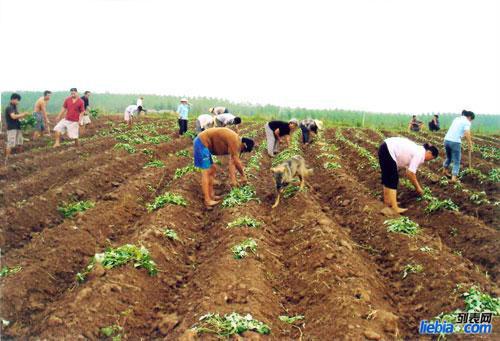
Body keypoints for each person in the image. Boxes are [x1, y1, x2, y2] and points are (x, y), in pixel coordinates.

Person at [193, 127, 255, 207]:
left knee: (212, 169)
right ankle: (207, 200)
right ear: (244, 144)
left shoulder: (236, 141)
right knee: (206, 171)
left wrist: (233, 181)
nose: (242, 151)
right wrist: (243, 176)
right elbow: (236, 161)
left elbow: (232, 162)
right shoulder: (235, 141)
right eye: (244, 150)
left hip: (204, 144)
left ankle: (212, 195)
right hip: (201, 143)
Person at [378, 137, 439, 214]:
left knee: (387, 177)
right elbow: (411, 173)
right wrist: (418, 188)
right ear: (429, 153)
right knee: (393, 178)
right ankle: (394, 208)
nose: (429, 160)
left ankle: (388, 202)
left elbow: (408, 171)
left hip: (384, 147)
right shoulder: (420, 154)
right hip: (388, 149)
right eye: (432, 158)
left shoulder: (418, 149)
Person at [442, 110, 475, 182]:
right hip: (455, 142)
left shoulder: (456, 119)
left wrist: (461, 136)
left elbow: (457, 131)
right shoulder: (467, 122)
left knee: (449, 157)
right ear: (469, 117)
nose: (471, 121)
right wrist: (470, 143)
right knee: (457, 161)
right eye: (471, 119)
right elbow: (467, 132)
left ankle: (444, 170)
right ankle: (454, 178)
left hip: (446, 140)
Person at [4, 93, 29, 158]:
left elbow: (17, 117)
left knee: (20, 142)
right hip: (12, 128)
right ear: (13, 99)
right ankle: (7, 157)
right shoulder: (9, 107)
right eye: (17, 100)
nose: (18, 102)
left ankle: (19, 157)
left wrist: (23, 120)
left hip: (18, 127)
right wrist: (23, 114)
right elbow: (13, 117)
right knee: (11, 143)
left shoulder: (15, 108)